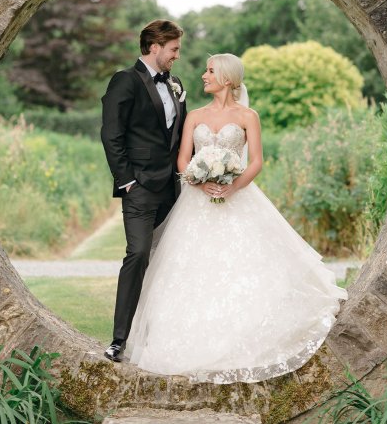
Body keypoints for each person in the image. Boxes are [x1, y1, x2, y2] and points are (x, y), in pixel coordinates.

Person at [127, 53, 348, 384]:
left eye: (210, 71)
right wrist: (200, 183)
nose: (203, 75)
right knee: (192, 269)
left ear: (227, 79)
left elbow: (256, 161)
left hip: (237, 196)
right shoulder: (195, 116)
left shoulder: (248, 116)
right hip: (197, 202)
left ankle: (242, 336)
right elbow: (183, 159)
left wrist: (232, 188)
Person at [100, 19, 186, 362]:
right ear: (155, 47)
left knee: (169, 262)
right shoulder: (125, 80)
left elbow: (180, 135)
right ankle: (119, 340)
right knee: (138, 255)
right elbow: (111, 134)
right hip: (139, 187)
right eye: (174, 49)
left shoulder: (176, 84)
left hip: (173, 189)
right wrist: (127, 180)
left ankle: (160, 337)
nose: (177, 56)